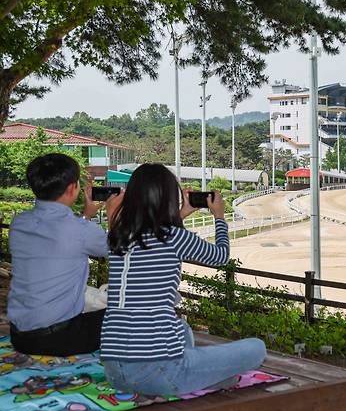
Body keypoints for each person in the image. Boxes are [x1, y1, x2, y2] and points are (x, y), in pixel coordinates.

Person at [101, 164, 265, 395]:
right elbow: (219, 256)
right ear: (168, 198)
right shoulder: (175, 237)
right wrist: (219, 216)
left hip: (115, 373)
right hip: (159, 372)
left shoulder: (117, 237)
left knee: (183, 328)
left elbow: (156, 236)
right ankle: (202, 379)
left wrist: (183, 213)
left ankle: (204, 377)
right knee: (256, 348)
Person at [8, 153, 122, 356]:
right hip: (59, 339)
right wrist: (113, 213)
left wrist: (86, 215)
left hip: (20, 336)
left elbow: (62, 239)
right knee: (129, 316)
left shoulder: (19, 222)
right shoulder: (79, 230)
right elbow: (116, 248)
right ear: (73, 188)